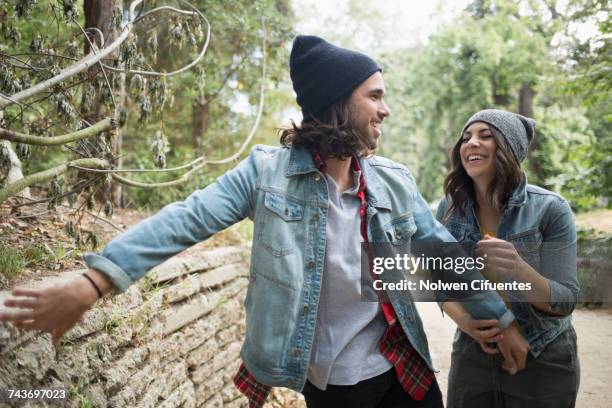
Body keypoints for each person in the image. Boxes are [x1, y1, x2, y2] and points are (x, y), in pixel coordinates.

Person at [0, 36, 528, 408]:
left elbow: (440, 253)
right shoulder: (265, 176)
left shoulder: (391, 180)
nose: (386, 110)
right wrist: (93, 282)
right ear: (337, 103)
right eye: (375, 95)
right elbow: (186, 219)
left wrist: (501, 321)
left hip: (405, 370)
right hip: (333, 386)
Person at [436, 109, 580, 408]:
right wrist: (465, 322)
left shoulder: (551, 210)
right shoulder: (449, 210)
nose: (471, 143)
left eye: (485, 136)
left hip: (542, 356)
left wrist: (519, 269)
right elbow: (441, 282)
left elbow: (565, 300)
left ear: (509, 148)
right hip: (473, 354)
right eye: (466, 137)